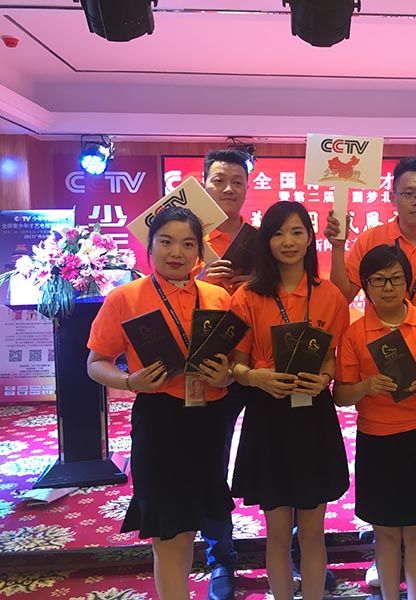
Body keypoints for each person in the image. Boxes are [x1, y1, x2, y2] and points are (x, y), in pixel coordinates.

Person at [325, 157, 416, 586]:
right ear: (393, 196)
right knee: (386, 496)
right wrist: (337, 246)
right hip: (377, 372)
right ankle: (384, 551)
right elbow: (342, 292)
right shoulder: (372, 239)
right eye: (409, 193)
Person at [87, 207, 234, 599]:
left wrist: (226, 376)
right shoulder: (126, 297)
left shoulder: (218, 297)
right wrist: (128, 381)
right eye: (166, 242)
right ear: (149, 246)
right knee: (169, 534)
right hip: (159, 421)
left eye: (188, 244)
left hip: (209, 421)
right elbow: (95, 363)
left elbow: (235, 362)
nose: (176, 252)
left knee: (192, 526)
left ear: (199, 251)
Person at [228, 201, 350, 600]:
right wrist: (255, 377)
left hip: (313, 414)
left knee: (313, 532)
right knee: (277, 532)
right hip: (268, 416)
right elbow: (236, 364)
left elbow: (332, 356)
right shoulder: (248, 296)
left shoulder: (330, 295)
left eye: (297, 231)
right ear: (266, 241)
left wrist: (325, 377)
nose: (288, 241)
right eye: (278, 233)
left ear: (310, 238)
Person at [196, 148, 253, 600]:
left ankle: (297, 552)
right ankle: (221, 557)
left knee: (280, 456)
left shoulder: (260, 240)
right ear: (203, 184)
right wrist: (201, 276)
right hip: (210, 366)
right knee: (211, 460)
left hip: (258, 362)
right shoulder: (188, 239)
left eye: (237, 181)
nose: (228, 188)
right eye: (219, 180)